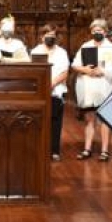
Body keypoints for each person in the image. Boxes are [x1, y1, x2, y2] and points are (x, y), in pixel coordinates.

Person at [72, 18, 112, 161]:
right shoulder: (85, 46)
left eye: (99, 30)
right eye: (94, 30)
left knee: (105, 120)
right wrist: (85, 69)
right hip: (88, 88)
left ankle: (105, 151)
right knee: (89, 120)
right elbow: (75, 65)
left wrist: (103, 71)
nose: (96, 32)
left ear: (105, 32)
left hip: (105, 87)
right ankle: (87, 149)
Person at [30, 24, 70, 161]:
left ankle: (54, 150)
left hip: (56, 91)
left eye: (53, 36)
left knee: (55, 122)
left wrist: (52, 84)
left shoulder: (62, 52)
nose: (50, 38)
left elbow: (65, 72)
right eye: (47, 36)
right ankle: (40, 149)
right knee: (40, 122)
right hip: (40, 92)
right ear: (41, 37)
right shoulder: (35, 51)